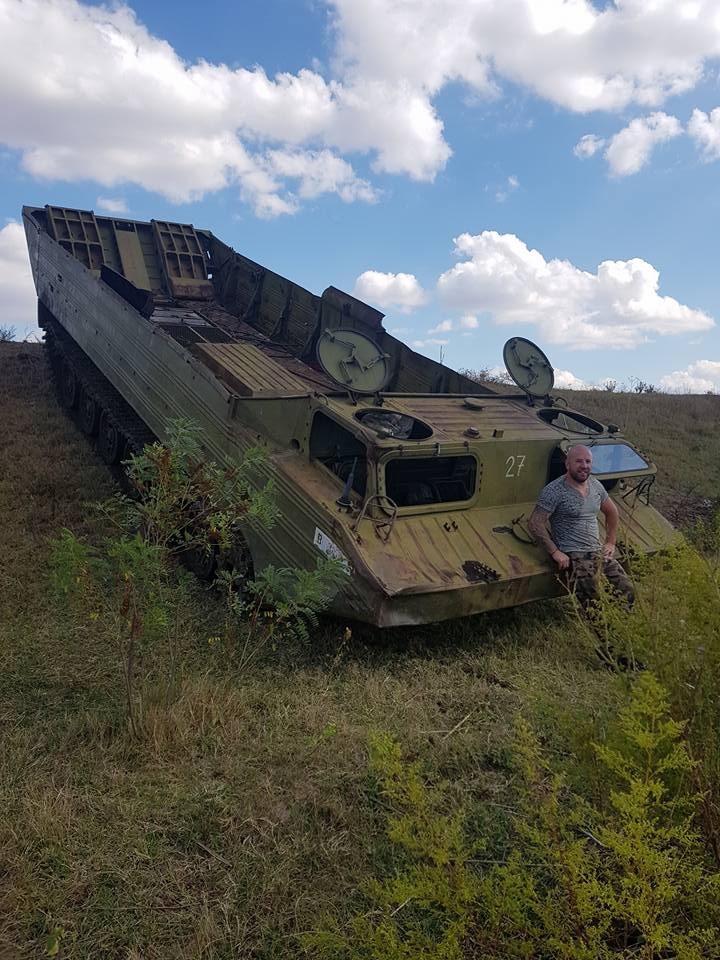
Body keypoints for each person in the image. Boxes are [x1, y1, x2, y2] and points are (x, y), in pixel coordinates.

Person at [528, 444, 634, 609]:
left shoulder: (596, 486)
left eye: (588, 461)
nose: (584, 466)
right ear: (568, 464)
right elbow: (535, 523)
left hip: (597, 550)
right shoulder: (554, 491)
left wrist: (611, 542)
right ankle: (602, 633)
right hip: (575, 554)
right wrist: (555, 551)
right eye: (579, 461)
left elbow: (612, 512)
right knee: (593, 605)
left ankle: (619, 630)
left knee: (627, 590)